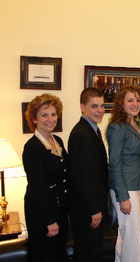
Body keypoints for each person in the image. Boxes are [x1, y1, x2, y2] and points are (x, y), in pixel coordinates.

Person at [22, 93, 69, 262]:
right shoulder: (32, 148)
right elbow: (37, 188)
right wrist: (49, 221)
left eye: (53, 114)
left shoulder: (57, 141)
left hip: (60, 209)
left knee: (58, 255)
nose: (50, 119)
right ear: (34, 119)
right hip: (43, 214)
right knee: (45, 256)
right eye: (44, 115)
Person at [106, 84, 140, 262]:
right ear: (121, 103)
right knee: (134, 241)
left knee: (127, 238)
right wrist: (123, 197)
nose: (135, 103)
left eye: (138, 100)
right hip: (126, 190)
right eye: (130, 99)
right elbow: (114, 163)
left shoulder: (136, 124)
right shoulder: (117, 127)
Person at [68, 88, 109, 262]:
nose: (100, 110)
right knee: (88, 254)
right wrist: (94, 210)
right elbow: (82, 178)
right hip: (87, 211)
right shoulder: (81, 134)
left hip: (91, 207)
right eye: (94, 106)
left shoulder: (91, 130)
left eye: (102, 106)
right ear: (82, 107)